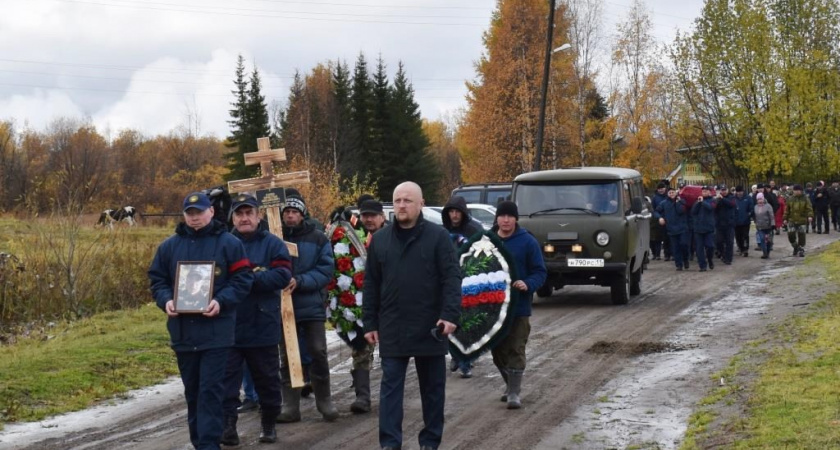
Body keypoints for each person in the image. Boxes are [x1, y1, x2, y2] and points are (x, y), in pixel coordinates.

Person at [148, 192, 254, 450]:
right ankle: (200, 443)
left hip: (217, 331)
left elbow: (243, 279)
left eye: (199, 212)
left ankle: (209, 444)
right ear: (184, 215)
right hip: (183, 332)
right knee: (193, 392)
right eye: (190, 213)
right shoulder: (169, 247)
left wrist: (221, 301)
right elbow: (157, 280)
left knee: (210, 392)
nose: (195, 218)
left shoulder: (229, 243)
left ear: (211, 212)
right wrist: (166, 301)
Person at [363, 181, 461, 450]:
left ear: (421, 203)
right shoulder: (381, 240)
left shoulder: (438, 237)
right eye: (397, 201)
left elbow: (452, 278)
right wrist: (370, 321)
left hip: (431, 326)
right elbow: (371, 283)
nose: (402, 205)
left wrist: (450, 314)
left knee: (432, 391)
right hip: (393, 326)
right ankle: (389, 444)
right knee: (390, 390)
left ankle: (430, 443)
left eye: (407, 200)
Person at [220, 193, 293, 445]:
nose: (244, 218)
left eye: (248, 212)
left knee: (267, 380)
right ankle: (228, 427)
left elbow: (283, 275)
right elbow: (215, 278)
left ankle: (268, 423)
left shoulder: (273, 244)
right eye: (239, 213)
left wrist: (246, 280)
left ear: (258, 215)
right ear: (233, 217)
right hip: (229, 324)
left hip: (262, 323)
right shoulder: (224, 243)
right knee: (226, 381)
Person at [277, 194, 339, 423]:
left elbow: (325, 270)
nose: (290, 215)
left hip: (310, 305)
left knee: (318, 351)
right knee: (288, 356)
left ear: (302, 214)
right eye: (286, 212)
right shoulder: (275, 237)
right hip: (284, 308)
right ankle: (290, 406)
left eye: (294, 212)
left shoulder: (318, 238)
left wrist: (300, 281)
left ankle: (324, 400)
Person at [491, 201, 547, 408]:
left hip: (519, 307)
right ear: (496, 218)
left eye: (510, 216)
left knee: (516, 347)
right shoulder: (488, 242)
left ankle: (514, 392)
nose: (506, 220)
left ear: (516, 219)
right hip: (494, 308)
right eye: (502, 216)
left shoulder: (527, 242)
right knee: (497, 350)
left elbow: (540, 272)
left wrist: (528, 283)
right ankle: (509, 384)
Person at [348, 199, 388, 414]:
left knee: (392, 351)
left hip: (391, 302)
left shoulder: (393, 236)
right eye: (365, 215)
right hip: (363, 301)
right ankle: (363, 397)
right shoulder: (353, 237)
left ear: (382, 216)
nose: (369, 219)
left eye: (373, 215)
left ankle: (391, 393)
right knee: (361, 348)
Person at [441, 195, 482, 379]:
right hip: (449, 282)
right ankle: (457, 355)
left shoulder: (474, 230)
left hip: (470, 280)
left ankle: (464, 360)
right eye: (451, 211)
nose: (454, 215)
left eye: (457, 212)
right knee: (451, 320)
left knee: (467, 323)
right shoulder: (443, 231)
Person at [655, 187, 689, 270]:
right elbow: (656, 211)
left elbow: (681, 211)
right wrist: (660, 218)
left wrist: (678, 202)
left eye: (673, 192)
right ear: (667, 194)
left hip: (682, 228)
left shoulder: (682, 201)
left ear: (676, 193)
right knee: (675, 247)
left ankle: (685, 259)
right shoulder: (664, 203)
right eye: (670, 193)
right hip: (671, 229)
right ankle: (679, 264)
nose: (671, 194)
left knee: (684, 245)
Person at [691, 186, 718, 272]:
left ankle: (710, 259)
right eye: (703, 191)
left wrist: (702, 202)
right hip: (698, 228)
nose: (704, 193)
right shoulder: (697, 201)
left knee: (710, 246)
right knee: (699, 248)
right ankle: (702, 265)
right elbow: (693, 212)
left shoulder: (713, 200)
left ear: (709, 192)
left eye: (706, 191)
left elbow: (710, 208)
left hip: (708, 228)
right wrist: (698, 203)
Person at [783, 185, 814, 257]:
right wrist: (785, 218)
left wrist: (810, 216)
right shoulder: (790, 199)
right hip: (791, 220)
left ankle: (801, 249)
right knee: (791, 235)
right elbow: (787, 210)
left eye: (798, 190)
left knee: (802, 235)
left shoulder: (805, 198)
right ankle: (795, 247)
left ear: (801, 191)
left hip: (802, 219)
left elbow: (809, 208)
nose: (796, 192)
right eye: (795, 190)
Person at [714, 185, 737, 265]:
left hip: (729, 223)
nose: (723, 191)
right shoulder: (718, 198)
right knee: (718, 241)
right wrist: (717, 199)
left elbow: (732, 204)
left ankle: (728, 259)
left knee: (729, 242)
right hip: (719, 224)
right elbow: (714, 207)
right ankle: (723, 255)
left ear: (727, 190)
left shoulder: (731, 197)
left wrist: (722, 199)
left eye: (725, 190)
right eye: (722, 190)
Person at [650, 182, 670, 261]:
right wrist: (658, 217)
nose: (661, 190)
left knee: (669, 238)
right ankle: (662, 254)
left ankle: (669, 254)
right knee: (662, 238)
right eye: (659, 189)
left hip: (670, 218)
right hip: (660, 219)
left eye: (662, 188)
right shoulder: (655, 198)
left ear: (665, 188)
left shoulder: (668, 195)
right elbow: (654, 209)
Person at [734, 186, 754, 257]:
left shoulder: (748, 198)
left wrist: (748, 214)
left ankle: (745, 250)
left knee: (745, 236)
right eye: (738, 192)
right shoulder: (734, 199)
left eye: (740, 191)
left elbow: (751, 208)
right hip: (736, 222)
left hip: (745, 221)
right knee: (738, 236)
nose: (739, 193)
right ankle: (740, 248)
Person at [754, 193, 774, 259]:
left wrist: (773, 224)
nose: (760, 200)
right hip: (759, 227)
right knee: (762, 239)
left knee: (768, 240)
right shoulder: (755, 207)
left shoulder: (768, 206)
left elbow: (771, 216)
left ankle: (767, 252)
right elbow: (755, 216)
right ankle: (764, 253)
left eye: (761, 199)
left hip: (768, 226)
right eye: (758, 199)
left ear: (763, 198)